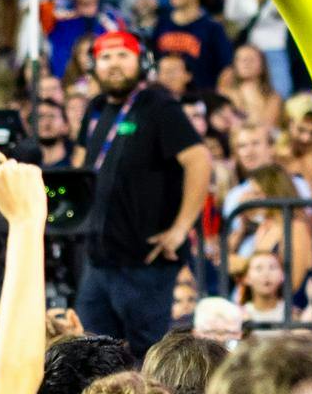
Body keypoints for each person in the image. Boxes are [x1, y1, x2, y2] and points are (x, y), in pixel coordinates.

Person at [75, 29, 211, 355]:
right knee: (91, 354)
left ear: (142, 62)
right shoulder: (95, 109)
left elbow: (199, 159)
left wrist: (180, 229)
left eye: (124, 55)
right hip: (98, 260)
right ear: (94, 66)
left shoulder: (157, 104)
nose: (114, 64)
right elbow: (81, 167)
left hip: (144, 262)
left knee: (147, 358)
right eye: (106, 57)